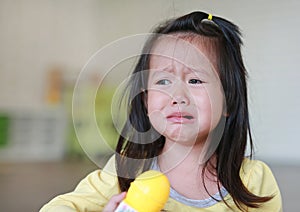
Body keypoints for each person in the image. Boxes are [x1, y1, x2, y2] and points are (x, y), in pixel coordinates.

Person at [40, 11, 282, 211]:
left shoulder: (254, 180)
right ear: (146, 101)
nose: (177, 97)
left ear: (228, 102)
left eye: (195, 81)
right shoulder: (127, 169)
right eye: (163, 82)